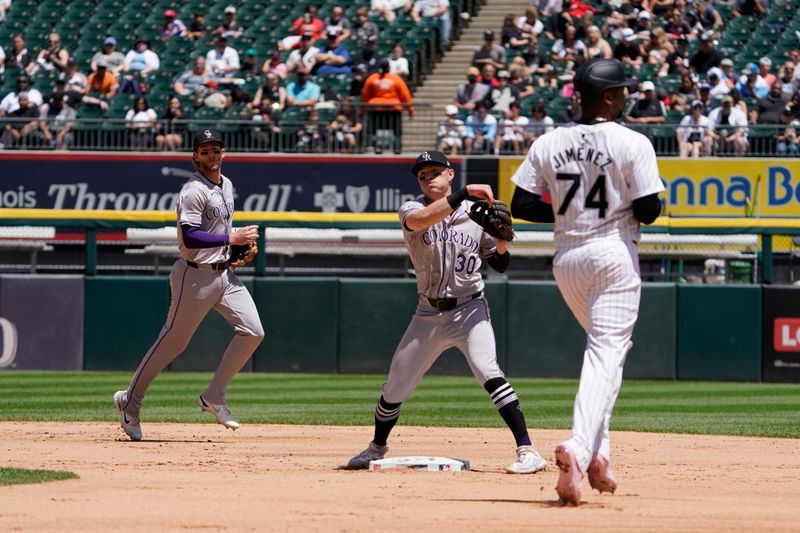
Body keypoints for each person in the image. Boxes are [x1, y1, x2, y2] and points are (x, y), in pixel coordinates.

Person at [510, 58, 664, 506]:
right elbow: (649, 210)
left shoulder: (549, 141)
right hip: (613, 253)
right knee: (605, 354)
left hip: (567, 261)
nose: (627, 96)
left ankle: (600, 454)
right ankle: (579, 448)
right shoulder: (631, 141)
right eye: (622, 90)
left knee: (606, 356)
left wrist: (566, 210)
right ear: (609, 96)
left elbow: (521, 203)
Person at [345, 150, 548, 475]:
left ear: (450, 174)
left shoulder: (477, 215)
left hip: (469, 309)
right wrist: (465, 192)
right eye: (422, 175)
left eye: (434, 172)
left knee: (488, 370)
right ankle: (376, 447)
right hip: (427, 312)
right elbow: (423, 221)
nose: (428, 178)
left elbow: (499, 264)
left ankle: (528, 450)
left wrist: (501, 243)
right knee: (396, 386)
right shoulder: (412, 209)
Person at [113, 129, 264, 442]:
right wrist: (229, 239)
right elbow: (190, 235)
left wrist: (230, 248)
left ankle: (214, 396)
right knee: (173, 343)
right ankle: (130, 401)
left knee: (253, 332)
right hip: (193, 277)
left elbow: (218, 229)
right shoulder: (192, 190)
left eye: (216, 149)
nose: (211, 155)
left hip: (224, 275)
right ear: (195, 156)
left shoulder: (227, 184)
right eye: (205, 150)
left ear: (224, 153)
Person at [360, 58, 413, 153]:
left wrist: (362, 109)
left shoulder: (374, 78)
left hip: (383, 108)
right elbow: (406, 95)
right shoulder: (394, 79)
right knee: (376, 130)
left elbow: (365, 95)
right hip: (384, 108)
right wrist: (410, 109)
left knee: (389, 130)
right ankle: (387, 147)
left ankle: (388, 147)